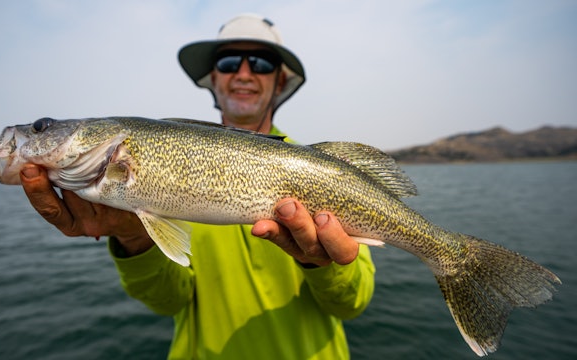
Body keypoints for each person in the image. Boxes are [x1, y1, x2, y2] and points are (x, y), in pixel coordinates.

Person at [19, 14, 375, 359]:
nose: (244, 73)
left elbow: (353, 303)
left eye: (263, 63)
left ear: (280, 82)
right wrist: (135, 237)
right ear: (213, 78)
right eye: (229, 61)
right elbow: (169, 301)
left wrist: (321, 264)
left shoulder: (326, 174)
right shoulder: (147, 166)